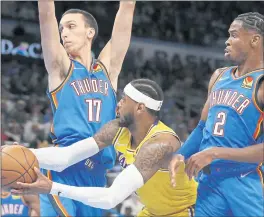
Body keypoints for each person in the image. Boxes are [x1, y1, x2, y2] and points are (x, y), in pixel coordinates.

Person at [12, 79, 197, 217]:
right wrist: (24, 153)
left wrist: (52, 187)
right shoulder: (116, 129)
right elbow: (66, 157)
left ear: (140, 108)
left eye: (125, 100)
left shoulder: (160, 144)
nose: (118, 104)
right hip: (151, 211)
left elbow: (111, 198)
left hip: (184, 211)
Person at [37, 0, 135, 216]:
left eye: (71, 26)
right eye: (62, 28)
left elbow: (127, 9)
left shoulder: (107, 69)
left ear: (90, 32)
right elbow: (45, 16)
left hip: (97, 175)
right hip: (64, 167)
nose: (64, 33)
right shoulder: (61, 68)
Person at [169, 12, 264, 217]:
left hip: (246, 181)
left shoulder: (261, 83)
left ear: (255, 40)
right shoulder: (219, 76)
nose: (227, 41)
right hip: (210, 183)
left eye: (234, 35)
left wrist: (214, 153)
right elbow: (203, 127)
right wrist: (182, 154)